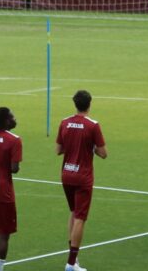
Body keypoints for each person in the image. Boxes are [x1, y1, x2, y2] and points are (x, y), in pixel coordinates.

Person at [57, 90, 107, 271]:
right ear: (89, 104)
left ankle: (74, 260)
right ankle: (71, 263)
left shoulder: (65, 122)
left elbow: (58, 149)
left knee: (73, 212)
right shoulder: (93, 125)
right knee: (80, 217)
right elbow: (103, 153)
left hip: (66, 174)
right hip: (82, 177)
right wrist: (90, 146)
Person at [0, 108, 22, 271]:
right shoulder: (14, 140)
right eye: (12, 117)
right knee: (3, 234)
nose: (15, 119)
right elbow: (14, 168)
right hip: (3, 192)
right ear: (6, 121)